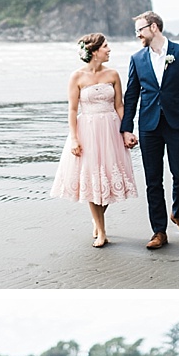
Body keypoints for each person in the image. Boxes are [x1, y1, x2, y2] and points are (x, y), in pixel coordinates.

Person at [120, 11, 179, 248]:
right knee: (153, 180)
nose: (138, 35)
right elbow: (132, 95)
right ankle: (159, 231)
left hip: (177, 124)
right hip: (149, 126)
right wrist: (127, 128)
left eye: (140, 30)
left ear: (154, 27)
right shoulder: (137, 58)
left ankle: (178, 213)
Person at [50, 32, 138, 246]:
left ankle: (96, 220)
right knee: (92, 180)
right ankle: (101, 231)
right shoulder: (77, 77)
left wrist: (127, 130)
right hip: (87, 130)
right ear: (94, 51)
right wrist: (74, 138)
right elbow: (72, 110)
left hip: (111, 131)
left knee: (108, 179)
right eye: (106, 46)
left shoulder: (113, 74)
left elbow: (119, 105)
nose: (109, 50)